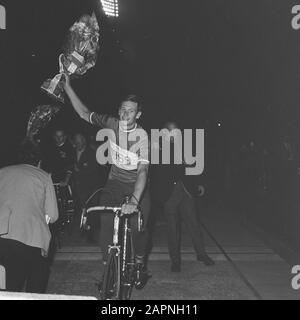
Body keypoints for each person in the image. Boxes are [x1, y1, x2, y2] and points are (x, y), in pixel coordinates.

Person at [64, 76, 151, 289]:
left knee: (138, 226)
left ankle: (139, 261)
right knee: (105, 221)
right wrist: (66, 86)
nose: (125, 114)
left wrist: (134, 200)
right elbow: (84, 113)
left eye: (130, 111)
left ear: (138, 114)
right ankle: (108, 267)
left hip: (137, 187)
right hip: (114, 183)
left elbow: (142, 171)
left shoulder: (142, 137)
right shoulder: (112, 123)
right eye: (122, 109)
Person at [151, 121, 214, 272]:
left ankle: (201, 254)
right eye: (170, 131)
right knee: (172, 229)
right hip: (169, 194)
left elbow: (195, 165)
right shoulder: (156, 147)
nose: (174, 134)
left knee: (193, 224)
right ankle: (175, 261)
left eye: (176, 131)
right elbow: (154, 174)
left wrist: (199, 183)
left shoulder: (186, 146)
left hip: (186, 191)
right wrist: (159, 195)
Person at [0, 141, 59, 292]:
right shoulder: (44, 176)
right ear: (39, 162)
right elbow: (53, 216)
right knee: (36, 282)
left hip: (3, 236)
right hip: (31, 237)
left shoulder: (3, 172)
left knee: (9, 285)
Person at [72, 132, 106, 242]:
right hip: (79, 186)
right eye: (76, 142)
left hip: (92, 186)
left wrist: (79, 170)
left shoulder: (91, 152)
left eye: (80, 141)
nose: (78, 144)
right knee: (82, 208)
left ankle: (91, 233)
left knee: (91, 209)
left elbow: (93, 169)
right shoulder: (72, 152)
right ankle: (84, 229)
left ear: (84, 141)